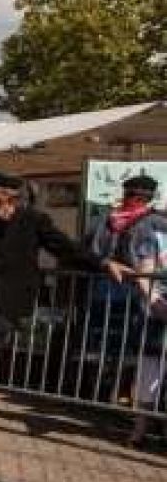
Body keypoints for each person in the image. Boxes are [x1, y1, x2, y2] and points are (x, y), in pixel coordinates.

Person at [0, 170, 128, 439]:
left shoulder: (34, 222)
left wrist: (103, 263)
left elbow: (65, 248)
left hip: (6, 305)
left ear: (6, 197)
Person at [83, 174, 167, 445]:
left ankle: (141, 427)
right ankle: (138, 427)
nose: (136, 200)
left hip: (140, 301)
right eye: (133, 195)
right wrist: (109, 265)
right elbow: (145, 267)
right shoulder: (112, 222)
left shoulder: (153, 223)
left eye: (141, 196)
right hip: (133, 302)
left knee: (144, 363)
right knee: (143, 363)